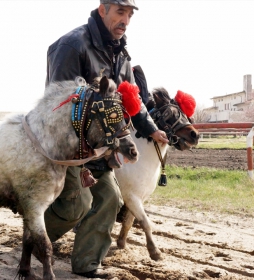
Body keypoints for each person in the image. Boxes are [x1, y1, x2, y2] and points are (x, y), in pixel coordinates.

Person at [42, 0, 169, 278]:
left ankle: (87, 264)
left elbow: (132, 99)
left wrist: (150, 129)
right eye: (120, 12)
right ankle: (34, 240)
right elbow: (59, 100)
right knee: (77, 205)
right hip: (69, 143)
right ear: (103, 10)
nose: (125, 20)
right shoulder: (71, 46)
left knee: (110, 199)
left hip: (101, 146)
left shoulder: (122, 54)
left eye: (129, 14)